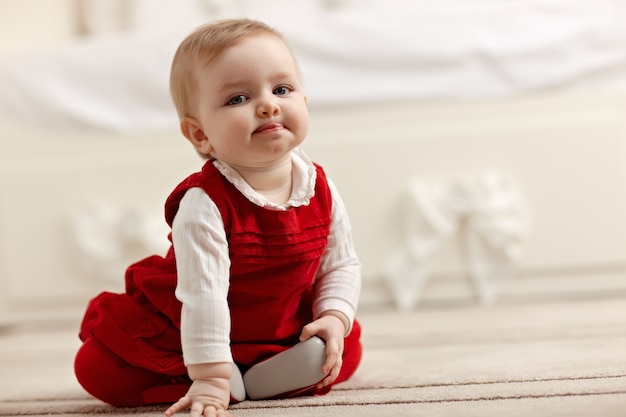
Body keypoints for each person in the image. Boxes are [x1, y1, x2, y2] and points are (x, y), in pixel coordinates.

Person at [74, 18, 363, 416]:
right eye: (237, 99)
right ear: (199, 134)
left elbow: (341, 263)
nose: (268, 105)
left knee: (347, 342)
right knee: (97, 368)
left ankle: (256, 377)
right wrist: (209, 376)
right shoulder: (203, 204)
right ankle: (221, 377)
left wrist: (333, 317)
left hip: (278, 325)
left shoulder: (319, 188)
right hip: (190, 328)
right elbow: (203, 296)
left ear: (304, 103)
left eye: (282, 89)